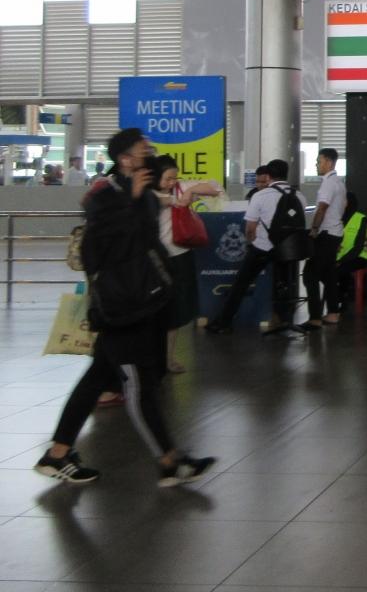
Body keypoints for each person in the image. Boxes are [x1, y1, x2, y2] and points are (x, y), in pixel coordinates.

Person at [35, 128, 216, 487]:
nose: (149, 153)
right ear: (125, 159)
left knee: (97, 379)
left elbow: (148, 245)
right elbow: (100, 251)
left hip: (145, 301)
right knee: (141, 385)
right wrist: (131, 203)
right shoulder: (104, 195)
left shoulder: (144, 194)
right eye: (143, 149)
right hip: (123, 309)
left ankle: (57, 454)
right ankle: (169, 461)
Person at [204, 159, 307, 334]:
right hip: (288, 249)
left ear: (268, 176)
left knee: (241, 283)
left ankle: (224, 322)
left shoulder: (260, 196)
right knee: (283, 283)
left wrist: (251, 242)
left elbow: (250, 228)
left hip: (262, 247)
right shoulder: (299, 196)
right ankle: (284, 319)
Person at [152, 155, 222, 372]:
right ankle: (151, 357)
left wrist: (190, 191)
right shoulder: (146, 193)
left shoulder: (181, 187)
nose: (172, 182)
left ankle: (167, 357)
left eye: (174, 178)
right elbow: (148, 202)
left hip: (180, 255)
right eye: (167, 178)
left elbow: (215, 187)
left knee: (175, 310)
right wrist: (173, 200)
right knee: (154, 310)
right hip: (154, 259)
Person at [305, 147, 347, 327]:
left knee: (310, 274)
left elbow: (322, 208)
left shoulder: (328, 183)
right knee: (329, 274)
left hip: (327, 233)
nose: (316, 165)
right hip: (335, 232)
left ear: (329, 162)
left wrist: (314, 229)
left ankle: (315, 317)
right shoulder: (339, 182)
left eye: (319, 161)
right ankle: (333, 313)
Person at [333, 192, 367, 313]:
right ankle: (336, 300)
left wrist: (341, 261)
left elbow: (358, 248)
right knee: (324, 270)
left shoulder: (361, 219)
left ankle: (340, 300)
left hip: (358, 257)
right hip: (339, 257)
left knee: (340, 270)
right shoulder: (337, 218)